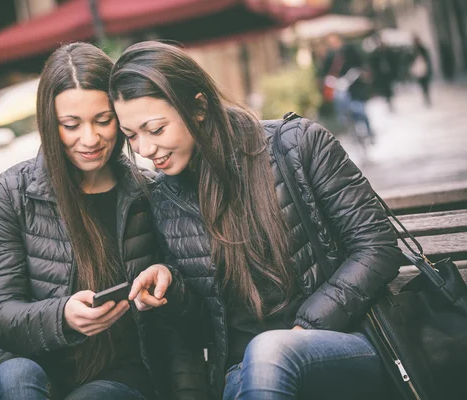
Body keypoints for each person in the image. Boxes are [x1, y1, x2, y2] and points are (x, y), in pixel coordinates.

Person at [110, 41, 404, 400]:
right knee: (260, 361)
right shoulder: (165, 198)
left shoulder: (297, 145)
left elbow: (378, 248)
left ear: (198, 107)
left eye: (155, 130)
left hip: (344, 342)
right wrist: (172, 287)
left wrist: (304, 327)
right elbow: (205, 327)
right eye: (131, 136)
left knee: (270, 352)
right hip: (244, 371)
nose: (144, 148)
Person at [0, 42, 207, 400]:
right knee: (17, 380)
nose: (90, 139)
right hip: (30, 365)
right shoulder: (7, 195)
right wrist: (62, 317)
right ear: (49, 124)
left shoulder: (150, 192)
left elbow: (188, 314)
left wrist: (168, 282)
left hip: (120, 374)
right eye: (71, 125)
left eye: (103, 120)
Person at [320, 34, 375, 140]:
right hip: (340, 88)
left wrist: (359, 73)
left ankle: (369, 131)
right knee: (343, 112)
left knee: (360, 110)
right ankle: (352, 131)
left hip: (355, 86)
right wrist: (328, 80)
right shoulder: (330, 55)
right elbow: (325, 72)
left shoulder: (350, 50)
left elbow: (361, 64)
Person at [411, 35, 433, 107]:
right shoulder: (412, 50)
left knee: (426, 84)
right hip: (418, 70)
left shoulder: (423, 49)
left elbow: (428, 59)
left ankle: (427, 97)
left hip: (424, 69)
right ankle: (425, 97)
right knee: (422, 85)